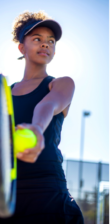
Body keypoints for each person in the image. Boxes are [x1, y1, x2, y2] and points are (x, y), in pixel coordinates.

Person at [0, 11, 83, 223]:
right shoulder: (4, 94)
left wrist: (37, 127)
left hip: (46, 191)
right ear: (22, 47)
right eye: (37, 39)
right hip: (7, 193)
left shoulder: (62, 83)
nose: (45, 44)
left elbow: (48, 104)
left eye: (51, 41)